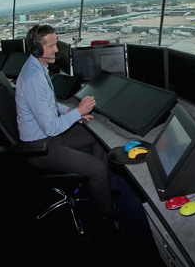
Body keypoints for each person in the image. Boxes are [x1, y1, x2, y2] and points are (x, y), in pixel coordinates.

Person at [15, 24, 126, 230]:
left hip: (51, 135)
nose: (57, 50)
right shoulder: (33, 78)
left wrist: (69, 112)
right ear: (37, 50)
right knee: (99, 169)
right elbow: (49, 127)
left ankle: (99, 193)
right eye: (53, 46)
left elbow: (49, 103)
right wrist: (78, 111)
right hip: (42, 147)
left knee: (98, 138)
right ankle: (107, 215)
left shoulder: (38, 67)